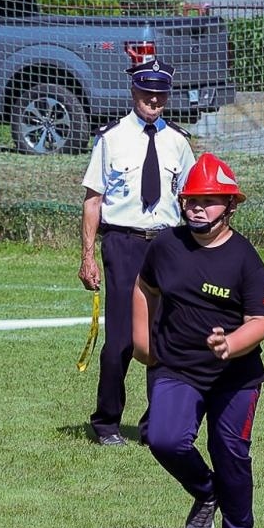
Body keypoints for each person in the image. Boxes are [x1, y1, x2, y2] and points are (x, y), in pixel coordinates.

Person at [133, 153, 264, 528]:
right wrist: (142, 341)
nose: (197, 206)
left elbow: (262, 319)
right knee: (163, 439)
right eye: (192, 198)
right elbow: (144, 289)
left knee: (229, 450)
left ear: (230, 206)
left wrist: (231, 344)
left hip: (236, 376)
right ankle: (207, 492)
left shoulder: (245, 257)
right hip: (177, 367)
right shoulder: (165, 246)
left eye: (209, 199)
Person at [80, 57, 198, 446]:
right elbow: (94, 200)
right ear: (134, 92)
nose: (154, 100)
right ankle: (107, 422)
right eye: (147, 93)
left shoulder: (178, 142)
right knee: (121, 341)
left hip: (166, 244)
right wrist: (87, 257)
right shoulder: (111, 138)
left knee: (164, 338)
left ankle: (155, 425)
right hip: (124, 244)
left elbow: (192, 201)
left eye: (160, 94)